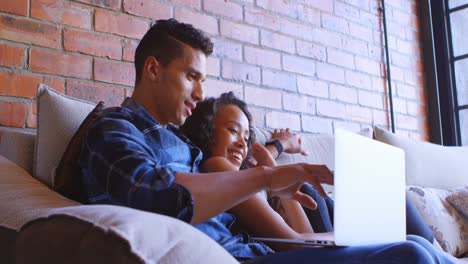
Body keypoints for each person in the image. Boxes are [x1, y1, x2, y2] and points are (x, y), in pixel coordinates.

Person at [78, 18, 455, 263]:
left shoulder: (182, 143)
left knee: (418, 247)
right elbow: (159, 197)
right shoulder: (114, 129)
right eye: (192, 76)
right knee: (412, 255)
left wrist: (273, 161)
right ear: (153, 68)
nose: (198, 92)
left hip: (252, 249)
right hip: (233, 257)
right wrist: (264, 178)